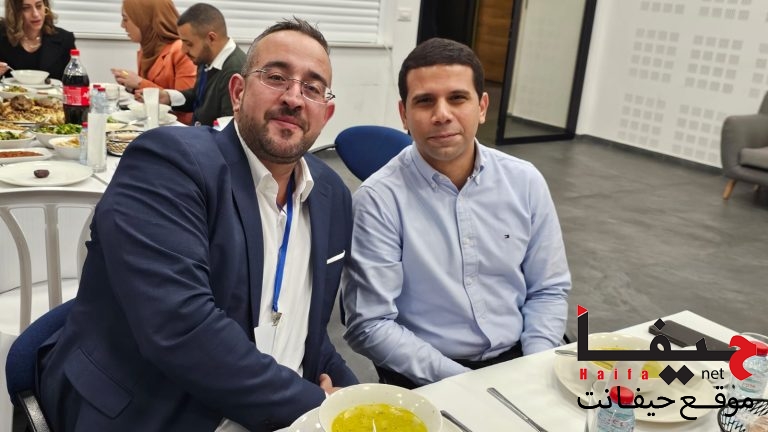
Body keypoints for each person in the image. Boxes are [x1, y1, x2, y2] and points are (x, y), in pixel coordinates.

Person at [38, 18, 356, 431]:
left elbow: (307, 329)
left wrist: (360, 402)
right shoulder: (168, 163)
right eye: (276, 77)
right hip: (157, 412)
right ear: (238, 93)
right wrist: (319, 406)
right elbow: (182, 328)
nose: (294, 98)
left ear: (325, 113)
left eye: (312, 88)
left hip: (277, 409)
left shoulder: (331, 195)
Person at [342, 37, 572, 389]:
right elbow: (370, 324)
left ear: (482, 107)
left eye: (457, 98)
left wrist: (534, 365)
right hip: (431, 371)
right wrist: (468, 387)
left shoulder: (524, 181)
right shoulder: (378, 200)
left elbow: (548, 289)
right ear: (404, 114)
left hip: (522, 355)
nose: (442, 115)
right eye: (425, 101)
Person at [157, 3, 246, 126]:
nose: (183, 50)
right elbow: (198, 98)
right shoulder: (206, 57)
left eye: (189, 44)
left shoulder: (234, 71)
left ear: (211, 38)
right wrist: (168, 97)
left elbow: (228, 128)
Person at [110, 0, 196, 124]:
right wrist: (132, 87)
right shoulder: (146, 50)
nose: (122, 25)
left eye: (125, 19)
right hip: (151, 123)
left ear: (144, 19)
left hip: (176, 128)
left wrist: (140, 83)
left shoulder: (181, 50)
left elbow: (185, 106)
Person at [0, 0, 75, 80]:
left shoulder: (64, 39)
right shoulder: (2, 36)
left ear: (45, 7)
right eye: (26, 8)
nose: (35, 14)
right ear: (14, 12)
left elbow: (75, 83)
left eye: (39, 6)